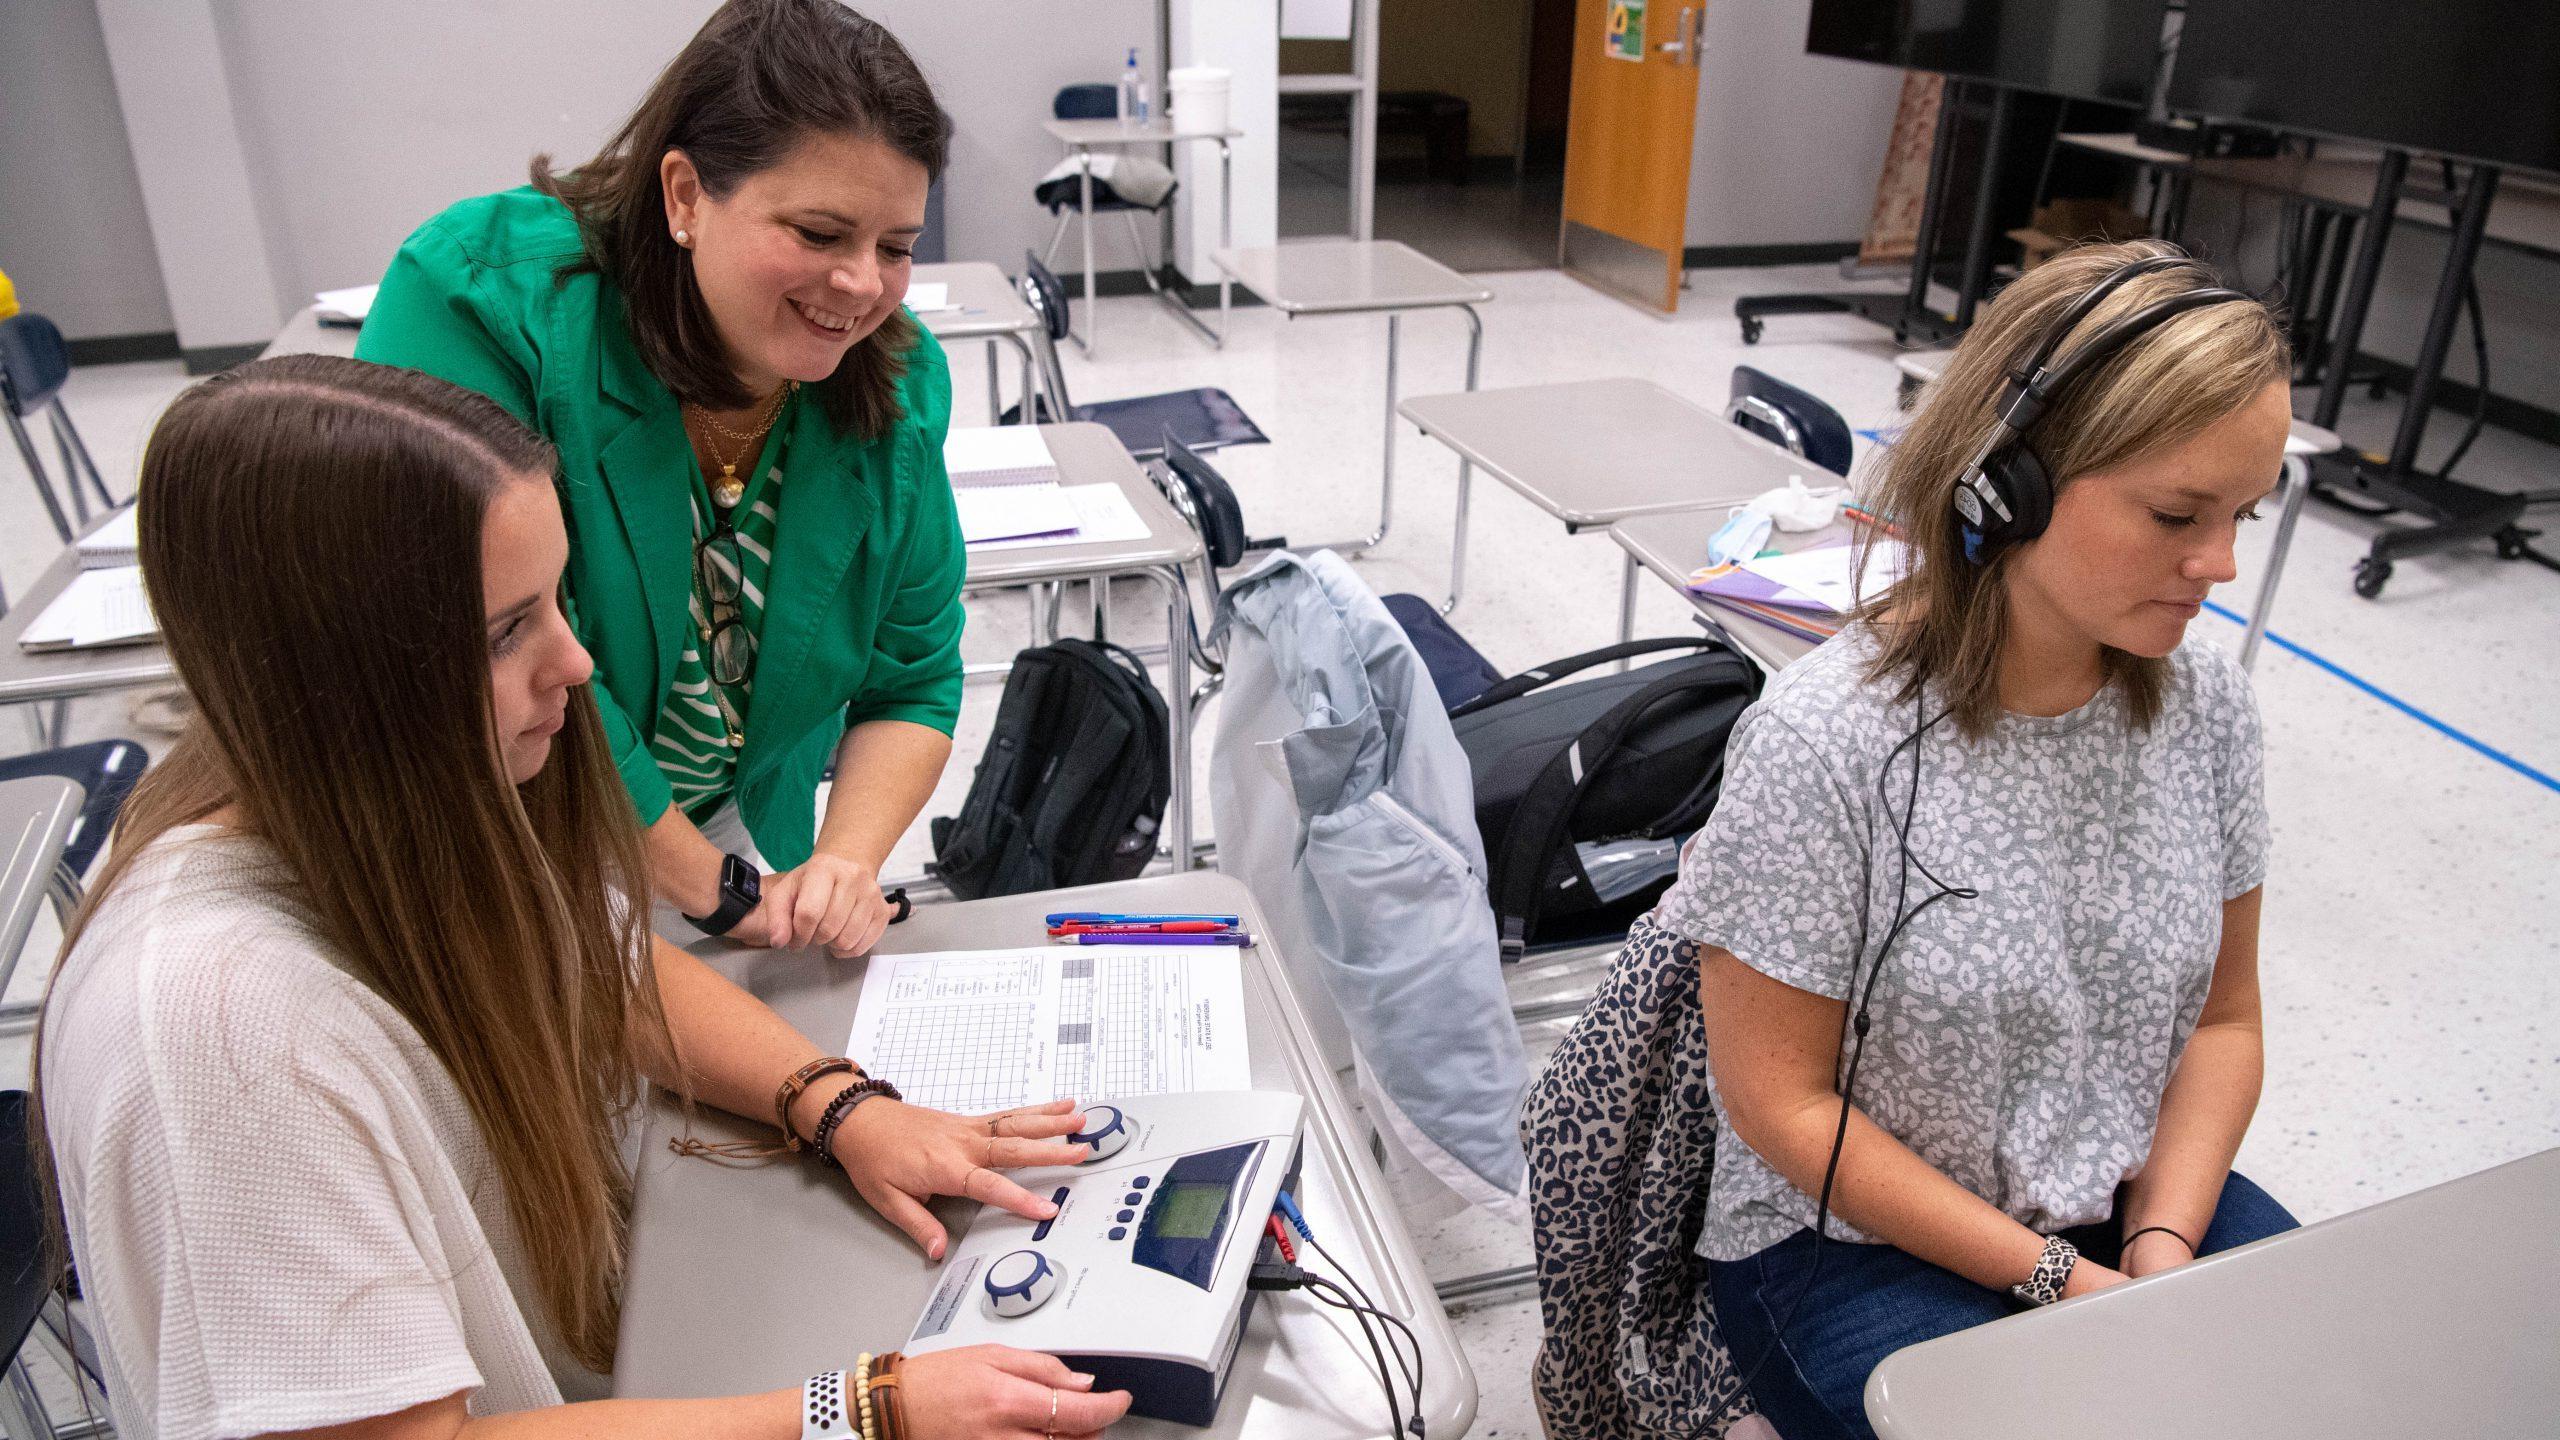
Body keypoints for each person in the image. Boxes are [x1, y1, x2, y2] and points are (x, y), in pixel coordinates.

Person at [36, 356, 1130, 1439]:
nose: (574, 662)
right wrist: (858, 1412)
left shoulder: (389, 787)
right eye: (507, 631)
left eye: (557, 601)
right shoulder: (216, 1036)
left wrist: (840, 1104)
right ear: (344, 672)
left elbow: (595, 963)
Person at [1662, 241, 2300, 1440]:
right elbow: (1783, 1109)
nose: (2216, 565)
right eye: (2175, 514)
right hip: (1849, 1238)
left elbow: (2225, 1019)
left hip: (2120, 1188)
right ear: (2004, 482)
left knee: (2326, 1385)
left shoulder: (2205, 704)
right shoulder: (1824, 745)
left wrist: (2161, 1248)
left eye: (2240, 518)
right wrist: (2063, 1283)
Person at [357, 0, 960, 954]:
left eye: (894, 248)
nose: (859, 286)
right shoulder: (482, 304)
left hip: (702, 827)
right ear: (684, 197)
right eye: (817, 233)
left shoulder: (893, 382)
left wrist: (844, 862)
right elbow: (483, 651)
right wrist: (715, 892)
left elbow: (914, 677)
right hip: (482, 820)